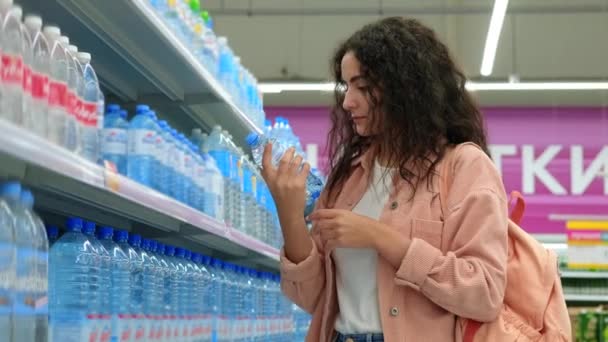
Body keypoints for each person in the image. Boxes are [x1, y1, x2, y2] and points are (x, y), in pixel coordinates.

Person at [260, 17, 509, 342]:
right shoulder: (347, 179)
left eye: (362, 87)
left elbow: (485, 293)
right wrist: (290, 216)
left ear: (406, 87)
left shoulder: (464, 167)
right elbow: (312, 300)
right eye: (346, 87)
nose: (348, 101)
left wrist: (381, 238)